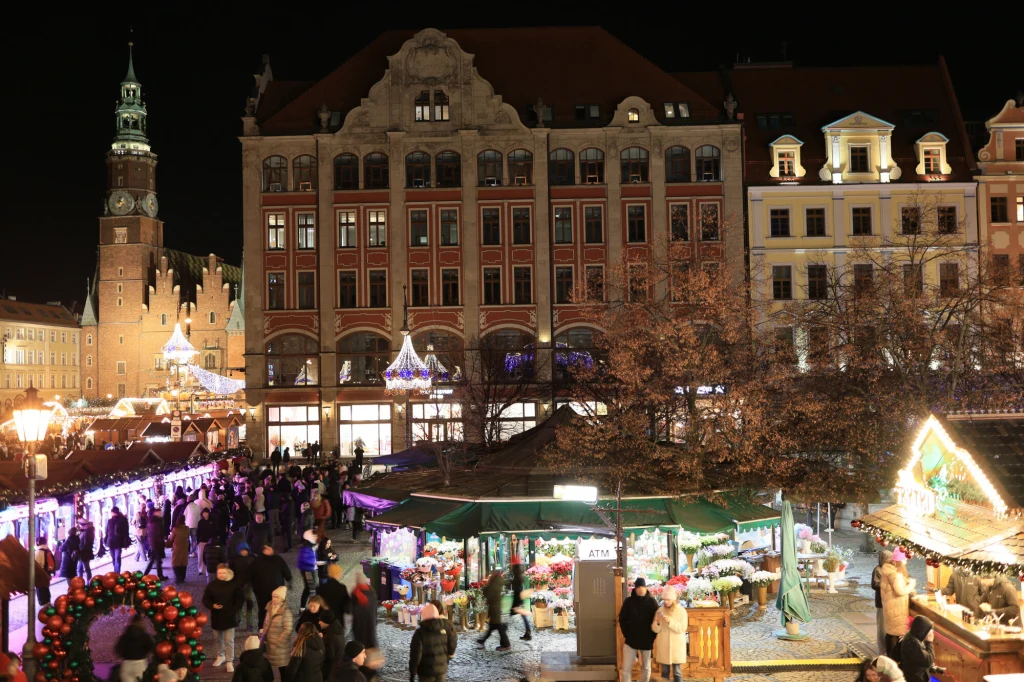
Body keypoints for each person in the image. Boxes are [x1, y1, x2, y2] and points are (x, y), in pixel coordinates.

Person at [203, 564, 245, 674]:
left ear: (227, 573)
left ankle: (229, 660)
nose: (221, 575)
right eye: (220, 573)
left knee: (229, 640)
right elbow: (205, 599)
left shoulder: (234, 585)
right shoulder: (212, 585)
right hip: (216, 617)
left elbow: (240, 599)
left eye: (224, 573)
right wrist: (212, 605)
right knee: (218, 639)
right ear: (217, 574)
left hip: (229, 617)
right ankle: (220, 656)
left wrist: (234, 610)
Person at [618, 577, 659, 682]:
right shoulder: (628, 601)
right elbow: (622, 619)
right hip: (631, 640)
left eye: (643, 587)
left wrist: (652, 636)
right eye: (639, 587)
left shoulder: (652, 602)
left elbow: (657, 620)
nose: (641, 589)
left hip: (647, 639)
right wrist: (627, 634)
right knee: (626, 668)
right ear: (635, 589)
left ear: (646, 588)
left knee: (646, 667)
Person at [880, 548, 916, 656]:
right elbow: (900, 591)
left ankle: (890, 658)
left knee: (891, 633)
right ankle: (893, 659)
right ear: (900, 561)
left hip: (890, 606)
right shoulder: (896, 575)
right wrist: (911, 585)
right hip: (896, 608)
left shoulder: (888, 571)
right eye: (905, 560)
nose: (906, 562)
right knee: (894, 634)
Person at [250, 543, 293, 629]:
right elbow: (249, 574)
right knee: (263, 609)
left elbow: (286, 570)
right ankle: (261, 627)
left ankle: (276, 627)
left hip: (276, 592)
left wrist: (290, 580)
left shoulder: (278, 559)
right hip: (261, 592)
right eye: (265, 549)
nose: (267, 550)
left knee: (277, 609)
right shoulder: (257, 561)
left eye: (268, 548)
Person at [651, 585, 687, 682]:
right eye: (665, 600)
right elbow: (655, 630)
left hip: (677, 646)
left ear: (673, 600)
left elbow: (682, 628)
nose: (666, 602)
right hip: (664, 645)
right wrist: (658, 622)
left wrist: (670, 621)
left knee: (677, 673)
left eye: (668, 600)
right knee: (664, 672)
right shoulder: (660, 610)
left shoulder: (681, 611)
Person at [409, 602, 450, 682]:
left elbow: (416, 654)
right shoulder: (443, 629)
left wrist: (412, 672)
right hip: (441, 671)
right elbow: (447, 649)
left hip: (426, 672)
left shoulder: (420, 633)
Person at [261, 586, 294, 680]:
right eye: (273, 596)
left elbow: (288, 629)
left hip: (280, 647)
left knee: (282, 668)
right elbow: (266, 622)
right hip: (269, 643)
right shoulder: (270, 607)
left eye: (277, 597)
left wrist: (278, 642)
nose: (274, 599)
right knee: (268, 666)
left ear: (282, 598)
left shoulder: (286, 611)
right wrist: (263, 634)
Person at [900, 615, 944, 682]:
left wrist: (934, 668)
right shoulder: (913, 643)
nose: (930, 634)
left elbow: (921, 659)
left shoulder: (915, 637)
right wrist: (929, 642)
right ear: (922, 631)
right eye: (928, 632)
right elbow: (927, 661)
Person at [115, 613, 155, 682]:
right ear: (140, 622)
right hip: (140, 664)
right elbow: (152, 646)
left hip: (126, 665)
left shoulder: (124, 636)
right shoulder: (144, 636)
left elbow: (118, 649)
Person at [477, 569, 510, 651]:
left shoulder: (494, 583)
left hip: (494, 608)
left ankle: (506, 644)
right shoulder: (497, 582)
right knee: (493, 626)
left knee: (498, 626)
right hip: (495, 607)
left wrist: (485, 587)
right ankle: (483, 640)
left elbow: (487, 592)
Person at [229, 542, 258, 633]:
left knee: (250, 605)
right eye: (242, 550)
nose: (244, 552)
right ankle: (238, 619)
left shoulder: (252, 558)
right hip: (238, 586)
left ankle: (249, 624)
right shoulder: (234, 560)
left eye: (245, 550)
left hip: (249, 586)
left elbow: (255, 572)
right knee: (239, 604)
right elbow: (231, 573)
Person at [870, 550, 893, 657]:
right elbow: (875, 584)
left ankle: (889, 650)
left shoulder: (892, 570)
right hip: (881, 603)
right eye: (889, 558)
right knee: (881, 629)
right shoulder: (878, 570)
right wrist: (887, 586)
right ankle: (882, 651)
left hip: (890, 603)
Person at [350, 572, 379, 651]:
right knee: (370, 639)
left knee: (360, 641)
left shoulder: (355, 592)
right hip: (371, 621)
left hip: (359, 623)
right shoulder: (371, 591)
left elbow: (351, 609)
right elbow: (375, 608)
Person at [317, 609, 346, 679]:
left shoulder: (330, 637)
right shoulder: (337, 630)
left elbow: (328, 656)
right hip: (337, 667)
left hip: (329, 671)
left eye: (321, 620)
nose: (319, 622)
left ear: (326, 622)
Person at [509, 562, 531, 641]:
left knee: (522, 616)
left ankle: (528, 632)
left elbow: (517, 590)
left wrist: (517, 603)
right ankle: (528, 632)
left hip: (518, 600)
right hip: (519, 600)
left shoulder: (517, 577)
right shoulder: (519, 576)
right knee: (523, 616)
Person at [105, 506, 131, 575]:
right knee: (113, 558)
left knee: (117, 558)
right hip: (111, 541)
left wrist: (125, 540)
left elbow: (126, 531)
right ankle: (115, 571)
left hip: (118, 541)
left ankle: (117, 573)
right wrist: (106, 539)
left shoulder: (122, 520)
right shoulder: (110, 521)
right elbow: (107, 531)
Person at [144, 509, 168, 580]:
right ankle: (159, 575)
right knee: (156, 560)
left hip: (155, 543)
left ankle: (146, 574)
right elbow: (156, 535)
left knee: (154, 560)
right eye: (159, 512)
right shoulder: (155, 522)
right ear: (155, 513)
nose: (161, 513)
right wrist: (161, 543)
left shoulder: (154, 521)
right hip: (156, 544)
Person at [298, 529, 319, 608]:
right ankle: (312, 607)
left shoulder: (311, 545)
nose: (316, 537)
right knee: (311, 589)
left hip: (310, 569)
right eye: (314, 536)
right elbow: (305, 559)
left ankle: (304, 606)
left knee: (309, 588)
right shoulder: (306, 547)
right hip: (307, 570)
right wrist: (315, 563)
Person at [197, 508, 219, 579]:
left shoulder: (212, 521)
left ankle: (207, 570)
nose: (205, 515)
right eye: (204, 513)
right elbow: (198, 532)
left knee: (208, 557)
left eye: (206, 513)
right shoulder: (200, 522)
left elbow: (215, 531)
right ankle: (201, 569)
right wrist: (198, 541)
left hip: (210, 542)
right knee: (200, 556)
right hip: (202, 541)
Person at [168, 517, 191, 584]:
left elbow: (171, 539)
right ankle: (182, 578)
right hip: (184, 548)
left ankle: (178, 578)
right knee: (183, 563)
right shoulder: (187, 528)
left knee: (175, 563)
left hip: (177, 548)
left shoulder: (175, 529)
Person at [34, 536, 55, 607]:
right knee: (46, 587)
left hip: (40, 573)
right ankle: (47, 600)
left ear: (37, 543)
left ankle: (43, 602)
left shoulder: (38, 551)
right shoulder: (48, 550)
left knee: (40, 588)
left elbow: (35, 564)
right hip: (47, 572)